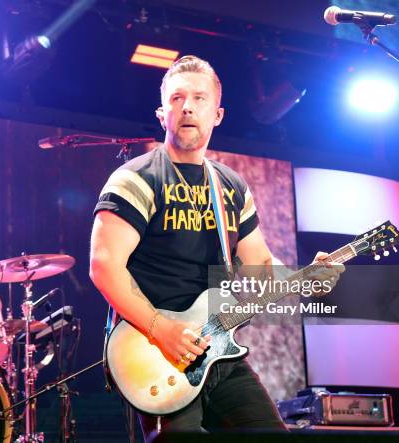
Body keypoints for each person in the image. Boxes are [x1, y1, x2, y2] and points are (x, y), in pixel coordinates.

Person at [89, 55, 344, 440]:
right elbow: (104, 266)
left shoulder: (230, 186)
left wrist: (305, 279)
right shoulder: (135, 178)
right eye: (176, 99)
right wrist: (162, 330)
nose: (187, 106)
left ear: (218, 114)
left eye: (198, 98)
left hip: (220, 350)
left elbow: (258, 263)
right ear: (162, 114)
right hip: (158, 351)